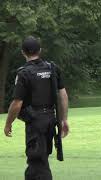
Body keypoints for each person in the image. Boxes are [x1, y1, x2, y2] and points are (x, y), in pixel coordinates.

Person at [3, 36, 69, 180]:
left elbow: (17, 103)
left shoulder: (24, 73)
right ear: (40, 50)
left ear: (23, 52)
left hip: (35, 123)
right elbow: (63, 94)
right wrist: (64, 120)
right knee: (40, 160)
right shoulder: (52, 68)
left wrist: (8, 123)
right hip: (51, 120)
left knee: (37, 163)